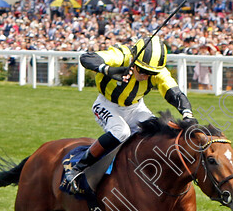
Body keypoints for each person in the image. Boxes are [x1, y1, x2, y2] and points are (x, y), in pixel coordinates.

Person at [64, 35, 193, 192]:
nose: (145, 76)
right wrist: (108, 69)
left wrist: (188, 114)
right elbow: (87, 58)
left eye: (150, 73)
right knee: (121, 132)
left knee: (158, 132)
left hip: (136, 108)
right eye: (143, 70)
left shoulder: (159, 72)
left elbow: (176, 94)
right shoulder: (122, 56)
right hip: (106, 104)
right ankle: (78, 168)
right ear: (134, 59)